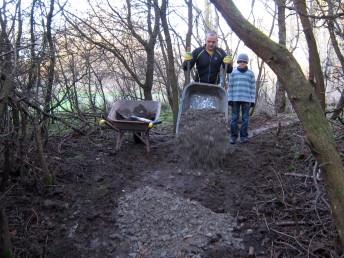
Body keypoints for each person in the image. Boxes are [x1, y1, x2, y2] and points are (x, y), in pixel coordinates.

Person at [227, 53, 256, 144]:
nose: (242, 63)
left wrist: (252, 100)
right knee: (234, 118)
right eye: (240, 61)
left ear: (246, 62)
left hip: (247, 100)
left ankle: (243, 136)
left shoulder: (251, 74)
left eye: (244, 61)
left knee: (245, 119)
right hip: (235, 99)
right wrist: (229, 99)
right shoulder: (233, 73)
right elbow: (230, 87)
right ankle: (233, 137)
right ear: (238, 62)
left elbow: (253, 88)